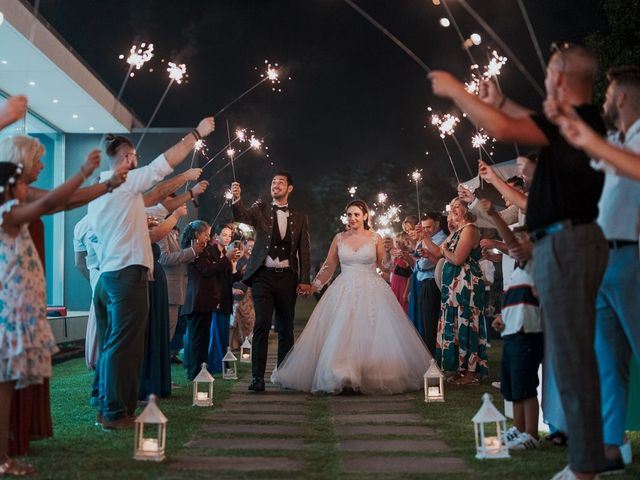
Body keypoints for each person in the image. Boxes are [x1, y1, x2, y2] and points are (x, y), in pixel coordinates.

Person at [430, 44, 610, 479]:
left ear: (563, 81)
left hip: (568, 245)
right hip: (557, 246)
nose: (545, 81)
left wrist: (454, 88)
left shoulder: (576, 119)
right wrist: (502, 100)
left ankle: (586, 464)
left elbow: (500, 125)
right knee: (569, 359)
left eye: (550, 74)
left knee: (572, 359)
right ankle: (584, 460)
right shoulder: (573, 123)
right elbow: (511, 116)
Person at [89, 117, 215, 430]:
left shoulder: (105, 192)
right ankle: (117, 413)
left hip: (108, 278)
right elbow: (162, 167)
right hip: (127, 277)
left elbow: (156, 199)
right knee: (125, 348)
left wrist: (186, 195)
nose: (135, 161)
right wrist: (196, 134)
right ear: (123, 159)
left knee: (111, 346)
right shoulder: (122, 182)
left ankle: (106, 407)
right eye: (132, 156)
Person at [0, 151, 103, 475]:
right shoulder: (8, 213)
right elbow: (49, 204)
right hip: (10, 316)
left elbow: (53, 204)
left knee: (6, 388)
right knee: (3, 390)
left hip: (18, 312)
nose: (25, 189)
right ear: (8, 186)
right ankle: (2, 458)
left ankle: (4, 455)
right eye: (19, 184)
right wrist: (83, 171)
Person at [271, 200, 432, 394]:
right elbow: (329, 266)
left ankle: (370, 373)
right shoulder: (339, 238)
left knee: (372, 331)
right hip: (344, 288)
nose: (352, 218)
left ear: (365, 216)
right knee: (341, 331)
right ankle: (341, 373)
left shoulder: (376, 238)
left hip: (372, 290)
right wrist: (314, 286)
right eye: (349, 215)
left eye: (356, 214)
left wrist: (389, 254)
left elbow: (385, 267)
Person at [230, 173, 311, 392]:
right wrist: (236, 199)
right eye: (273, 182)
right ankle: (257, 378)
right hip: (263, 276)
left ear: (290, 188)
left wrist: (304, 280)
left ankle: (284, 375)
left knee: (286, 327)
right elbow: (242, 217)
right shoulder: (260, 208)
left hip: (287, 276)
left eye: (280, 182)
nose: (275, 185)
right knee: (262, 325)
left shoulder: (300, 216)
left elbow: (304, 250)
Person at [435, 198, 488, 384]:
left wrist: (444, 251)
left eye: (458, 205)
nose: (454, 209)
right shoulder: (456, 231)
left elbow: (457, 259)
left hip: (466, 284)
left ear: (467, 209)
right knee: (455, 323)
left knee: (467, 323)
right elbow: (438, 253)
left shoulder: (470, 229)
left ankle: (471, 372)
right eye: (452, 207)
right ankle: (459, 368)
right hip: (452, 286)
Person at [208, 224, 243, 374]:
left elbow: (230, 278)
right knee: (215, 333)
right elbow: (212, 273)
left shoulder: (226, 254)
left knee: (223, 334)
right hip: (215, 298)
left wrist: (240, 271)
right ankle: (214, 364)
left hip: (226, 298)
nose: (227, 238)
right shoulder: (211, 252)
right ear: (216, 236)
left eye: (229, 236)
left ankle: (223, 364)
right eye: (224, 235)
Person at [413, 213, 447, 352]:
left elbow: (426, 264)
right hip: (424, 282)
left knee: (431, 323)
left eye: (428, 227)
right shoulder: (428, 239)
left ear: (437, 224)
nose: (425, 230)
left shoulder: (441, 239)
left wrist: (419, 264)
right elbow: (417, 256)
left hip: (433, 283)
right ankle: (429, 356)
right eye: (423, 227)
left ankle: (433, 358)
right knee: (425, 322)